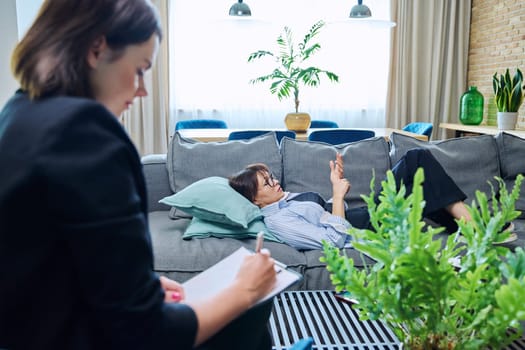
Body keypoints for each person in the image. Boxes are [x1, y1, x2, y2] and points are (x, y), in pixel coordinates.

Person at [0, 1, 276, 349]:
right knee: (251, 308)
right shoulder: (85, 134)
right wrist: (245, 290)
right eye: (140, 69)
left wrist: (130, 285)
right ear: (97, 48)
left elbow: (46, 263)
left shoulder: (18, 112)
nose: (142, 90)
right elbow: (146, 333)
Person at [229, 149, 513, 250]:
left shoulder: (284, 202)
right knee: (417, 165)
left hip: (361, 214)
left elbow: (322, 215)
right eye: (267, 183)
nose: (275, 182)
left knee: (417, 164)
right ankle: (477, 228)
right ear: (255, 201)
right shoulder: (278, 221)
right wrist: (339, 197)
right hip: (365, 226)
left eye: (271, 176)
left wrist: (334, 188)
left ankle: (470, 228)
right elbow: (332, 240)